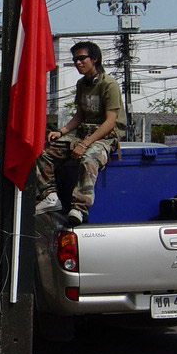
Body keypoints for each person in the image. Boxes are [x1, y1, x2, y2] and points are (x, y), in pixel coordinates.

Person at [35, 41, 126, 226]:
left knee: (88, 159)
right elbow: (79, 116)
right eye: (75, 59)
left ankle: (80, 208)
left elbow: (110, 122)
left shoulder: (109, 84)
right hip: (83, 132)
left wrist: (85, 144)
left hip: (105, 136)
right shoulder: (81, 84)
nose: (77, 62)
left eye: (81, 58)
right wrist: (61, 132)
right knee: (45, 153)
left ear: (94, 59)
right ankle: (50, 196)